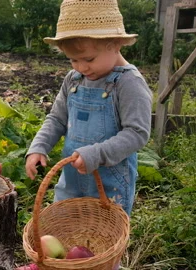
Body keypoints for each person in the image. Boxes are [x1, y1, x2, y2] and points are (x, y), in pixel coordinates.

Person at [25, 0, 152, 216]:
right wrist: (39, 146)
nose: (81, 67)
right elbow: (56, 119)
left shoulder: (129, 83)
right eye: (73, 60)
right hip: (71, 180)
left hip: (109, 184)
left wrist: (96, 154)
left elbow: (137, 133)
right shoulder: (74, 79)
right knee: (65, 231)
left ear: (115, 44)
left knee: (104, 237)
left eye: (89, 59)